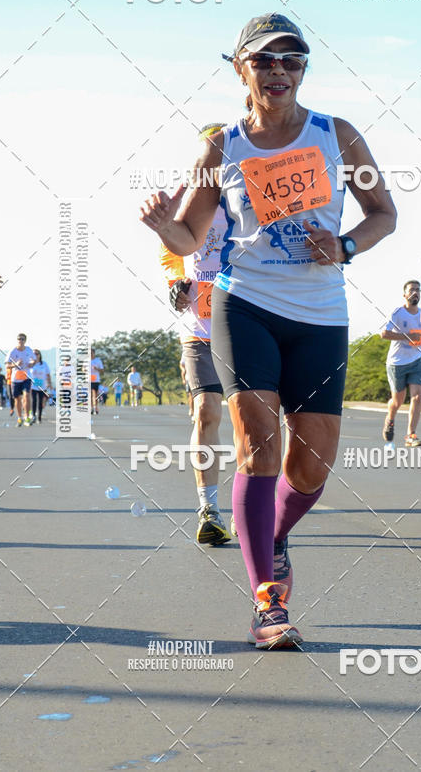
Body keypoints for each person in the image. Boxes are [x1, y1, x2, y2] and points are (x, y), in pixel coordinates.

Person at [141, 12, 396, 648]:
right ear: (240, 68)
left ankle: (274, 533)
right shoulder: (220, 148)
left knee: (312, 466)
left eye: (292, 59)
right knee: (258, 441)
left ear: (303, 69)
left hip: (320, 314)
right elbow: (190, 236)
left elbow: (384, 213)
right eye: (264, 59)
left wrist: (347, 245)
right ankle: (267, 600)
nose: (279, 69)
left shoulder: (337, 135)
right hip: (244, 303)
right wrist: (164, 229)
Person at [161, 125, 232, 545]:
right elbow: (170, 252)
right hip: (199, 329)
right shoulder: (187, 200)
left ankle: (253, 507)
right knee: (206, 411)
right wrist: (175, 282)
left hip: (246, 325)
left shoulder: (251, 199)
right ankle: (210, 509)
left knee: (252, 422)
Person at [380, 281, 421, 446]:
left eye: (418, 290)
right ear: (404, 295)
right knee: (398, 401)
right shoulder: (398, 313)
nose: (415, 293)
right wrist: (407, 337)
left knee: (417, 397)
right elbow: (384, 334)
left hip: (417, 360)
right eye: (412, 290)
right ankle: (390, 419)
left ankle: (410, 435)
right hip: (397, 362)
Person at [5, 333, 36, 427]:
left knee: (27, 396)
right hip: (16, 378)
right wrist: (15, 364)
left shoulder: (29, 350)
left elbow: (34, 360)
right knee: (17, 399)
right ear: (17, 340)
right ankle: (19, 417)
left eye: (22, 339)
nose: (20, 341)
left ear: (25, 341)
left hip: (26, 377)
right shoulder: (12, 351)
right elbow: (7, 365)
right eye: (19, 339)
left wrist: (31, 364)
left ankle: (27, 417)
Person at [30, 350, 52, 423]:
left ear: (40, 355)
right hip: (33, 385)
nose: (36, 355)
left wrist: (49, 383)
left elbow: (48, 374)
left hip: (42, 385)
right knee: (34, 400)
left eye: (37, 354)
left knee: (40, 401)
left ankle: (39, 417)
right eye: (34, 354)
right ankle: (33, 416)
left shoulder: (44, 364)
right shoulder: (30, 364)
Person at [90, 348, 104, 415]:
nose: (90, 354)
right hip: (88, 380)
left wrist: (96, 368)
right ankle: (91, 408)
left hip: (95, 380)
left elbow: (102, 370)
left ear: (94, 353)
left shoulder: (98, 361)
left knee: (95, 394)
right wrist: (84, 369)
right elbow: (83, 369)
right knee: (90, 395)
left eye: (91, 353)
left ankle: (95, 408)